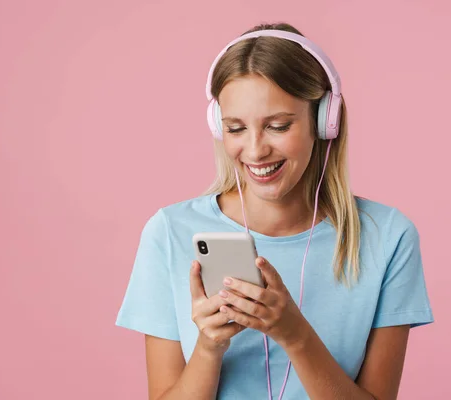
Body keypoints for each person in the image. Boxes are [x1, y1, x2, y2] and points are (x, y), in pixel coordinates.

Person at [116, 22, 433, 400]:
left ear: (324, 121)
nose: (254, 151)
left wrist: (294, 333)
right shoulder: (169, 231)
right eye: (235, 129)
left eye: (278, 126)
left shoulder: (387, 237)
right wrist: (208, 347)